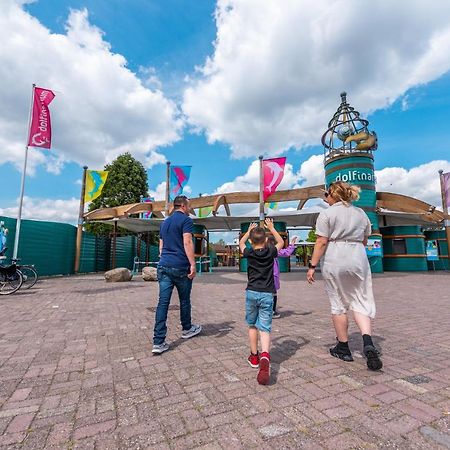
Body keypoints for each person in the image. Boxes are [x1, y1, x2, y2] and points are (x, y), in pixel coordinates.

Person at [306, 181, 382, 371]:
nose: (325, 198)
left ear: (333, 195)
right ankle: (368, 343)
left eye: (326, 195)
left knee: (338, 303)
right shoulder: (361, 213)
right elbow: (365, 240)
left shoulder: (327, 214)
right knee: (361, 300)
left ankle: (343, 347)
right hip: (357, 256)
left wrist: (312, 266)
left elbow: (322, 241)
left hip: (335, 256)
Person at [152, 195, 202, 354]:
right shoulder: (186, 220)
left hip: (164, 265)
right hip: (180, 267)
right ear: (183, 206)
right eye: (189, 206)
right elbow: (187, 242)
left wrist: (164, 257)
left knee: (162, 303)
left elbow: (161, 245)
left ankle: (158, 342)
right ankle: (187, 328)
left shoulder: (164, 222)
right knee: (184, 299)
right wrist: (193, 264)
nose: (190, 209)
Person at [239, 218, 284, 385]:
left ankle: (254, 356)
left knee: (252, 325)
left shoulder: (248, 253)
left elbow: (241, 243)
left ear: (251, 241)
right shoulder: (271, 251)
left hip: (251, 293)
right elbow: (281, 241)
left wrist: (247, 232)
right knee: (264, 328)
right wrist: (271, 227)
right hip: (267, 295)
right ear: (265, 240)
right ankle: (265, 354)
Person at [267, 235, 298, 318]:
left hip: (264, 277)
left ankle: (265, 312)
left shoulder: (261, 250)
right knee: (273, 294)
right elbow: (286, 252)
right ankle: (272, 311)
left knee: (265, 294)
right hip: (272, 276)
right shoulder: (274, 251)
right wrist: (291, 243)